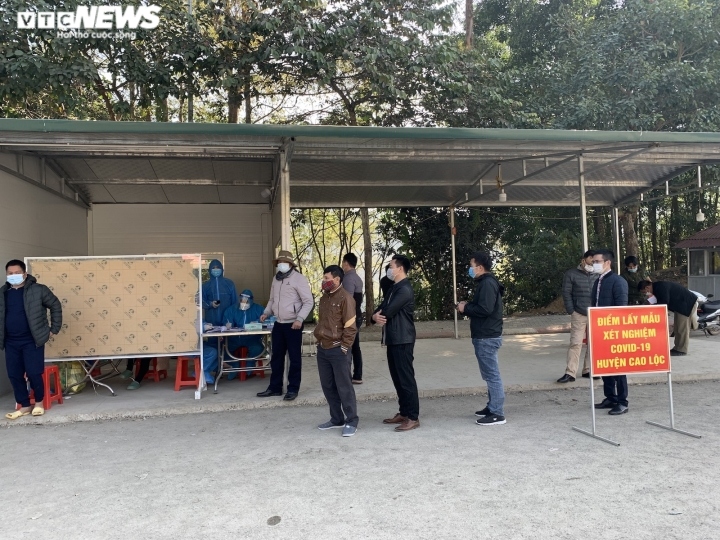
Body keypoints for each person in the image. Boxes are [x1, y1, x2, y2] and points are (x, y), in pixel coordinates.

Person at [1, 259, 62, 419]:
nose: (13, 276)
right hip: (11, 341)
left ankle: (39, 403)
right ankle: (24, 405)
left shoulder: (38, 290)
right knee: (14, 374)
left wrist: (53, 329)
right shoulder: (3, 293)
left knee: (34, 372)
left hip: (32, 340)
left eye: (17, 273)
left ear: (25, 274)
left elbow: (55, 305)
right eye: (10, 273)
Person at [456, 251, 507, 426]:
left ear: (479, 267)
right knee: (489, 374)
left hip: (487, 336)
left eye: (471, 266)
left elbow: (485, 309)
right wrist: (467, 306)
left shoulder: (487, 283)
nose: (470, 269)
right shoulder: (486, 283)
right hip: (485, 334)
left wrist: (465, 308)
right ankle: (492, 406)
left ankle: (497, 413)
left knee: (492, 375)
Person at [372, 255, 420, 432]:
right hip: (393, 338)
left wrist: (378, 315)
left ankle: (413, 417)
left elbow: (388, 311)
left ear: (399, 269)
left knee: (406, 379)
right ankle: (404, 412)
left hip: (403, 339)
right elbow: (382, 307)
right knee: (397, 378)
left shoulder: (405, 289)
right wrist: (373, 316)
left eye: (391, 266)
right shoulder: (394, 287)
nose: (389, 269)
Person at [257, 250, 313, 401]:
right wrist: (266, 312)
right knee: (276, 357)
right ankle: (275, 388)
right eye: (279, 262)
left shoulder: (299, 279)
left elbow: (308, 301)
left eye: (284, 262)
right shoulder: (276, 279)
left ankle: (293, 389)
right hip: (278, 324)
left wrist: (300, 319)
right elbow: (271, 300)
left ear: (290, 264)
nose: (281, 265)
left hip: (293, 324)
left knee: (294, 358)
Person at [314, 265, 359, 437]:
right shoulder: (325, 298)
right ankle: (336, 418)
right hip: (323, 348)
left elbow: (350, 327)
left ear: (337, 279)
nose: (324, 281)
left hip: (338, 349)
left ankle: (352, 420)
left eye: (326, 278)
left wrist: (344, 347)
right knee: (328, 386)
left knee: (344, 386)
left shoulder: (346, 298)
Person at [591, 249, 630, 415]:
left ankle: (622, 401)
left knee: (618, 367)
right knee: (605, 365)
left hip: (614, 330)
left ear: (607, 262)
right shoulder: (598, 281)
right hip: (600, 329)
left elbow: (621, 308)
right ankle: (610, 397)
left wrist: (616, 329)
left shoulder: (618, 281)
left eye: (597, 261)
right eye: (593, 262)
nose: (594, 264)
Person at [557, 250, 599, 383]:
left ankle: (588, 370)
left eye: (596, 260)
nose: (593, 262)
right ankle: (570, 372)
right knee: (575, 343)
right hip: (578, 313)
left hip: (596, 314)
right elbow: (566, 292)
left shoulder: (599, 274)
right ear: (583, 260)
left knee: (594, 343)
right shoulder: (571, 274)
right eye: (591, 260)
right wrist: (571, 310)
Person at [637, 280, 698, 356]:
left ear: (647, 287)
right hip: (680, 305)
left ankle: (682, 350)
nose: (645, 294)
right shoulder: (656, 287)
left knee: (682, 328)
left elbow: (663, 303)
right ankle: (677, 348)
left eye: (644, 292)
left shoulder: (660, 287)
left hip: (686, 303)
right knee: (677, 328)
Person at [222, 289, 266, 380]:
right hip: (234, 338)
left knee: (258, 348)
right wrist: (227, 325)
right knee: (222, 348)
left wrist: (257, 322)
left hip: (252, 338)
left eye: (246, 301)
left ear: (251, 300)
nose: (244, 303)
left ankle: (249, 365)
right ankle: (235, 365)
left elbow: (267, 319)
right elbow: (226, 321)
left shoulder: (258, 309)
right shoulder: (232, 309)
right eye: (242, 300)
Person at [341, 253, 364, 384]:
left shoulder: (348, 279)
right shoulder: (357, 278)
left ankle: (350, 375)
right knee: (355, 346)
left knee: (348, 346)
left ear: (346, 263)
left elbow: (348, 301)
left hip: (351, 317)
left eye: (343, 262)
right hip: (357, 315)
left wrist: (345, 318)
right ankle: (357, 375)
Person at [201, 259, 238, 327]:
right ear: (209, 270)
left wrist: (232, 318)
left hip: (228, 320)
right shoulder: (205, 286)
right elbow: (201, 301)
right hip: (211, 321)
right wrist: (210, 304)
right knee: (212, 336)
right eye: (213, 268)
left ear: (222, 269)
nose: (216, 269)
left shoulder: (229, 284)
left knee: (228, 337)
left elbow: (235, 302)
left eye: (218, 267)